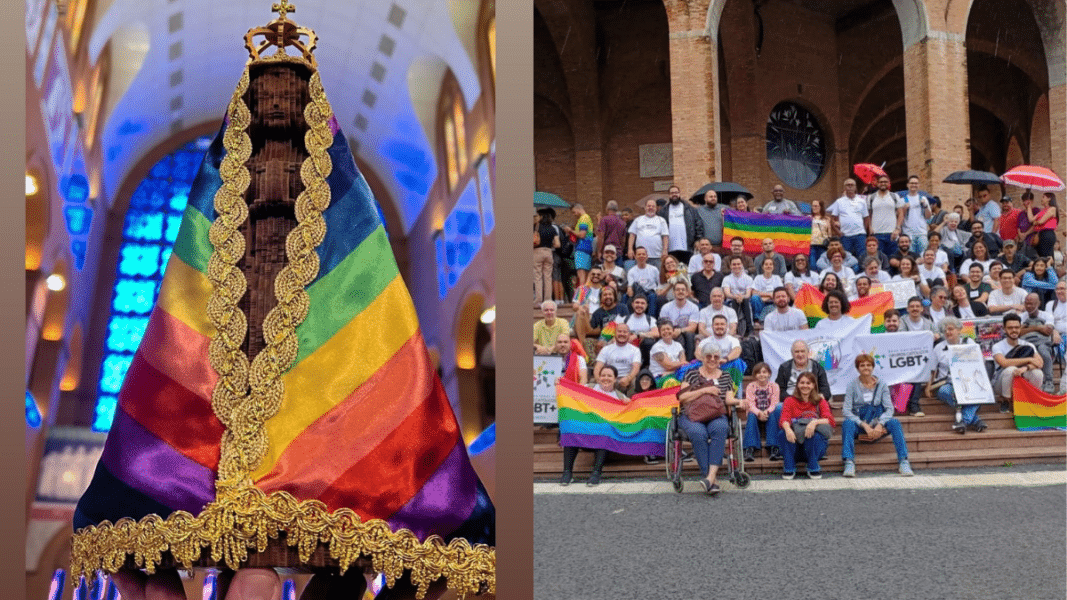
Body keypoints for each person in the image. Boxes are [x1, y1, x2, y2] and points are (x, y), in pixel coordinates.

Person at [676, 344, 738, 495]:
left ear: (719, 359)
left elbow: (729, 399)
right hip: (691, 415)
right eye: (708, 356)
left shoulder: (726, 376)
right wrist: (705, 390)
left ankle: (709, 478)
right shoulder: (691, 374)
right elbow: (682, 397)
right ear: (702, 358)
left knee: (721, 428)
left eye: (716, 356)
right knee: (698, 433)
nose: (712, 359)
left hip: (716, 414)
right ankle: (712, 479)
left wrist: (740, 402)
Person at [841, 354, 915, 477]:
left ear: (873, 367)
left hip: (877, 423)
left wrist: (880, 424)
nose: (866, 368)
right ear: (857, 368)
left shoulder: (882, 385)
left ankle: (903, 461)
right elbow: (846, 411)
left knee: (895, 423)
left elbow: (889, 409)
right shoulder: (852, 386)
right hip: (861, 425)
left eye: (868, 365)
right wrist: (864, 425)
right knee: (847, 424)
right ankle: (848, 462)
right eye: (862, 365)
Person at [559, 365, 628, 487]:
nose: (605, 378)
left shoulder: (619, 396)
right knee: (571, 428)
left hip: (603, 439)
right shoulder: (588, 389)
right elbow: (570, 392)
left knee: (606, 430)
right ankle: (567, 473)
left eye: (609, 376)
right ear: (598, 377)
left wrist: (627, 403)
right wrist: (559, 382)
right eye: (603, 375)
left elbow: (631, 411)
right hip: (584, 433)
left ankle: (596, 473)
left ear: (615, 379)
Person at [928, 317, 986, 433]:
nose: (948, 332)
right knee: (943, 391)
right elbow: (932, 370)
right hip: (946, 382)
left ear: (959, 330)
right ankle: (975, 420)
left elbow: (981, 363)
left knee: (978, 393)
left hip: (968, 382)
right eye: (945, 330)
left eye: (951, 329)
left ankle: (963, 421)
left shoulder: (969, 342)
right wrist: (928, 386)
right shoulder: (939, 347)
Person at [778, 371, 835, 479]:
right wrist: (788, 429)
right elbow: (784, 418)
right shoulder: (789, 400)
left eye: (808, 383)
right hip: (794, 447)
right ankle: (789, 467)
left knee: (815, 435)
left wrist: (814, 422)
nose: (805, 386)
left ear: (813, 385)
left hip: (813, 447)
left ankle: (813, 467)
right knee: (783, 433)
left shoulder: (820, 401)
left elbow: (830, 420)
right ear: (798, 385)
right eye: (802, 383)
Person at [992, 313, 1044, 412]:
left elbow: (1040, 363)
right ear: (1004, 329)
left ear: (1020, 328)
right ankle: (1005, 401)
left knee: (1037, 373)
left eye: (1016, 327)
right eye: (1010, 328)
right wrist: (1029, 359)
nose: (1014, 330)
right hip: (1001, 383)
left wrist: (1026, 368)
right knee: (1011, 369)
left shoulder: (1028, 345)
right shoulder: (997, 346)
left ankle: (1032, 400)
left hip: (1022, 379)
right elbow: (1004, 363)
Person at [1020, 292, 1061, 393]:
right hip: (1027, 343)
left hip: (1043, 342)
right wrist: (1038, 327)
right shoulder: (1021, 316)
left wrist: (1026, 328)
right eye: (1027, 303)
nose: (1029, 306)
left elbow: (1047, 331)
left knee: (1043, 351)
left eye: (1032, 303)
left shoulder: (1047, 315)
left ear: (1039, 303)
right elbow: (1018, 332)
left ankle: (1048, 381)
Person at [742, 362, 781, 462]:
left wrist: (766, 412)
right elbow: (750, 403)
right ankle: (749, 448)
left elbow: (774, 403)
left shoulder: (774, 386)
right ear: (755, 375)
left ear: (769, 374)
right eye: (758, 372)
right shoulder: (751, 386)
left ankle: (773, 447)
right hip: (755, 413)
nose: (762, 375)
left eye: (764, 372)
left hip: (769, 412)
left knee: (773, 415)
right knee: (751, 416)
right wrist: (759, 413)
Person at [658, 185, 704, 264]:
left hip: (687, 247)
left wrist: (698, 240)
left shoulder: (690, 209)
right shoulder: (663, 211)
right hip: (670, 249)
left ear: (679, 194)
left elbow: (698, 224)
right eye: (672, 193)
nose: (674, 194)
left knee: (686, 271)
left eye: (676, 192)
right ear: (669, 195)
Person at [593, 322, 642, 394]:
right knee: (593, 383)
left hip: (626, 379)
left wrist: (628, 378)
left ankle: (630, 403)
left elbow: (636, 368)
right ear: (615, 333)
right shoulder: (606, 349)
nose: (622, 334)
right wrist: (598, 379)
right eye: (619, 331)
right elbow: (598, 367)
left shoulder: (635, 350)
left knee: (635, 382)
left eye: (625, 332)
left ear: (629, 334)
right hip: (609, 378)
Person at [828, 178, 870, 260]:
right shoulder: (839, 202)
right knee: (846, 259)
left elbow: (866, 217)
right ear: (844, 188)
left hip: (860, 235)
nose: (850, 187)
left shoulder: (862, 201)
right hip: (845, 236)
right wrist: (838, 232)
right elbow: (832, 219)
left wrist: (864, 229)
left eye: (852, 185)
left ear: (855, 187)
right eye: (848, 185)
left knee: (863, 258)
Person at [658, 281, 700, 360]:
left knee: (689, 335)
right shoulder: (666, 307)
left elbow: (692, 328)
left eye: (683, 290)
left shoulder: (693, 307)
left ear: (687, 292)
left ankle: (689, 361)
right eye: (677, 290)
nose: (680, 291)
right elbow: (663, 326)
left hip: (685, 333)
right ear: (673, 292)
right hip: (670, 332)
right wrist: (672, 331)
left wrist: (680, 331)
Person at [865, 175, 904, 258]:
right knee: (878, 259)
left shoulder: (894, 196)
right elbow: (868, 214)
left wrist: (897, 229)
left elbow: (901, 213)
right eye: (881, 182)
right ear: (877, 184)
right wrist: (869, 227)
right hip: (876, 233)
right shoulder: (871, 198)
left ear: (889, 183)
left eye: (885, 182)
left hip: (892, 233)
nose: (883, 183)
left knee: (893, 259)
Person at [627, 199, 669, 267]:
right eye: (649, 206)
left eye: (653, 206)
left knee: (657, 277)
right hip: (640, 256)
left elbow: (665, 237)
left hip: (657, 256)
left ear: (656, 208)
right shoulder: (638, 220)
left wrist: (665, 250)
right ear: (645, 207)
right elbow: (632, 235)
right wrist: (630, 249)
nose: (651, 208)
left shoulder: (661, 220)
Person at [722, 255, 756, 335]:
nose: (736, 266)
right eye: (734, 264)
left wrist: (741, 297)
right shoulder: (726, 279)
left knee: (745, 301)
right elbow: (727, 294)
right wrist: (736, 297)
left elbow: (748, 294)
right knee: (734, 301)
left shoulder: (748, 278)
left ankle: (749, 329)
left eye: (738, 264)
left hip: (745, 300)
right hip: (731, 301)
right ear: (730, 266)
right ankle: (735, 329)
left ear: (742, 265)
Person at [900, 175, 933, 254]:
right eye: (911, 183)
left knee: (923, 256)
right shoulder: (902, 200)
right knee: (911, 257)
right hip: (908, 233)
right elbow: (900, 218)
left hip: (922, 233)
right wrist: (904, 209)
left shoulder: (923, 199)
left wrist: (925, 206)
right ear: (908, 185)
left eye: (916, 183)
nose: (913, 185)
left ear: (919, 185)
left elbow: (928, 216)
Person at [534, 208, 561, 303]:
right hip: (549, 252)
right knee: (548, 276)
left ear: (541, 217)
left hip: (537, 252)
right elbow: (558, 244)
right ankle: (548, 299)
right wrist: (549, 244)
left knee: (538, 276)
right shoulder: (553, 228)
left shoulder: (536, 227)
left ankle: (538, 299)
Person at [565, 203, 595, 287]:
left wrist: (570, 230)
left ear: (577, 209)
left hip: (582, 248)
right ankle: (584, 296)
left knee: (581, 276)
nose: (574, 215)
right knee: (586, 276)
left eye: (574, 212)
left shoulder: (583, 219)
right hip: (587, 248)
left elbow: (582, 234)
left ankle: (581, 297)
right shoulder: (587, 218)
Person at [624, 295, 658, 366]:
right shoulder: (625, 319)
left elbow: (656, 333)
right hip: (628, 347)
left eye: (642, 303)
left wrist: (638, 335)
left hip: (643, 350)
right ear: (632, 304)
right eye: (637, 302)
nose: (639, 305)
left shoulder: (650, 319)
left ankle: (646, 366)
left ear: (646, 305)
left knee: (648, 342)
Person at [626, 246, 660, 316]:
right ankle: (626, 319)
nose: (641, 256)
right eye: (639, 254)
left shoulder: (654, 269)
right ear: (635, 256)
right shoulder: (631, 271)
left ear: (647, 256)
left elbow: (659, 283)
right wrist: (629, 290)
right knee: (624, 297)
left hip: (650, 292)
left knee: (652, 296)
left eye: (643, 254)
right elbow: (630, 285)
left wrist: (658, 290)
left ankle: (651, 319)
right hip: (637, 293)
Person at [751, 256, 784, 323]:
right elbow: (754, 292)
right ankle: (757, 320)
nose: (768, 266)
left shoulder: (777, 278)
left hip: (773, 303)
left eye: (770, 264)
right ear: (762, 267)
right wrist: (769, 294)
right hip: (761, 303)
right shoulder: (758, 278)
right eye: (766, 264)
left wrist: (764, 297)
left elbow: (780, 292)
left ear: (773, 267)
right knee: (755, 298)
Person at [809, 199, 832, 265]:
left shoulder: (827, 219)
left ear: (821, 207)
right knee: (812, 264)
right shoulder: (808, 218)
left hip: (823, 245)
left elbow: (829, 233)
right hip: (811, 245)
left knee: (822, 264)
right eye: (813, 206)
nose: (814, 208)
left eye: (816, 206)